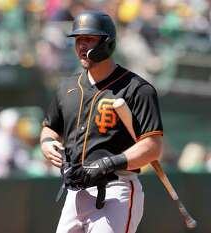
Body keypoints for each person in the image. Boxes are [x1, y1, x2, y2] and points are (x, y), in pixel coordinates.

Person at [40, 10, 164, 233]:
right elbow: (50, 129)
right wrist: (47, 143)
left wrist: (109, 163)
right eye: (78, 39)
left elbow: (153, 147)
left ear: (107, 43)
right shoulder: (66, 88)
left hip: (117, 188)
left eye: (88, 39)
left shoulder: (137, 89)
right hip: (76, 192)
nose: (81, 46)